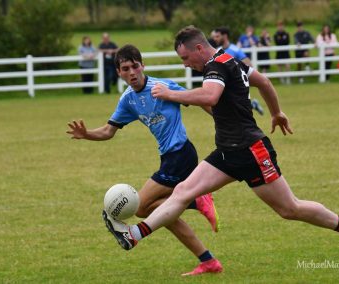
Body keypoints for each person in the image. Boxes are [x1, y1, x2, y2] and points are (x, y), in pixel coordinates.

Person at [102, 26, 339, 269]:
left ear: (199, 48)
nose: (185, 65)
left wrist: (170, 93)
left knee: (289, 209)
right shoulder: (232, 60)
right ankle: (135, 235)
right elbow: (264, 82)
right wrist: (276, 112)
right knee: (184, 191)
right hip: (226, 152)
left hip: (251, 150)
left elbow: (210, 95)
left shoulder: (216, 66)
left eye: (185, 58)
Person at [67, 44, 223, 276]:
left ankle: (197, 202)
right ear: (119, 73)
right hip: (168, 158)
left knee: (140, 206)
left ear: (143, 66)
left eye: (135, 66)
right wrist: (87, 134)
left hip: (180, 154)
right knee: (163, 214)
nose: (131, 72)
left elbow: (201, 100)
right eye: (125, 69)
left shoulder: (161, 86)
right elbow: (109, 131)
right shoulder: (128, 100)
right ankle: (208, 260)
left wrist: (224, 120)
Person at [213, 27, 263, 115]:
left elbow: (248, 65)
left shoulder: (235, 50)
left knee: (235, 108)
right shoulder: (217, 51)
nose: (215, 39)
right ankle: (253, 105)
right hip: (223, 83)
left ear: (225, 36)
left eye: (218, 36)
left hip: (234, 84)